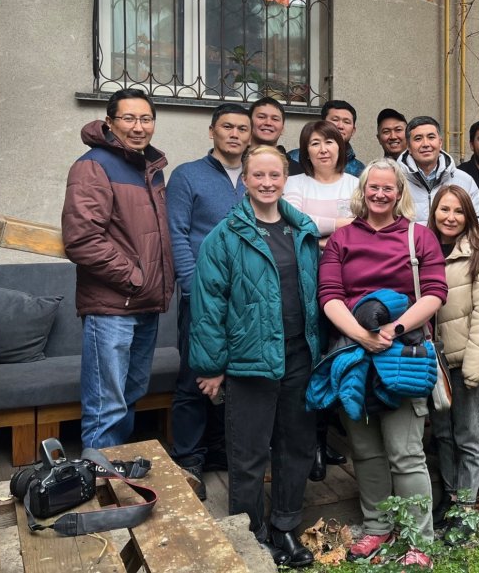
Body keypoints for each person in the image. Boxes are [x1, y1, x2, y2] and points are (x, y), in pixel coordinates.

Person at [190, 146, 320, 567]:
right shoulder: (225, 236)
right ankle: (251, 534)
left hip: (299, 356)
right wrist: (211, 366)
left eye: (274, 175)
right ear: (244, 180)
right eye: (258, 176)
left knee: (295, 446)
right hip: (249, 362)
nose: (267, 183)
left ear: (285, 179)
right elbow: (208, 305)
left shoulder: (301, 230)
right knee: (248, 455)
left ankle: (285, 527)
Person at [318, 158, 448, 568]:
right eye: (372, 187)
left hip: (403, 355)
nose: (379, 194)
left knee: (405, 453)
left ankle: (418, 538)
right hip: (353, 356)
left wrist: (392, 329)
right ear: (363, 191)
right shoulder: (342, 240)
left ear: (399, 193)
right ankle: (378, 527)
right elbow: (329, 295)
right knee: (365, 450)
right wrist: (361, 336)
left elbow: (435, 291)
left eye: (387, 187)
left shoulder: (418, 236)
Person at [61, 88, 174, 449]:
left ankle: (115, 470)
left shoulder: (149, 169)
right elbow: (82, 239)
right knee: (106, 405)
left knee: (130, 394)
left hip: (144, 304)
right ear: (109, 122)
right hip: (113, 306)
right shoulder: (94, 165)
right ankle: (97, 476)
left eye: (146, 118)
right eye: (129, 118)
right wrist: (135, 278)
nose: (138, 127)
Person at [166, 104, 251, 498]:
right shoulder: (188, 175)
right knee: (195, 376)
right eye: (227, 127)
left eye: (242, 129)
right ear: (212, 130)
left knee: (237, 377)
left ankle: (220, 451)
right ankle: (189, 458)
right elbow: (176, 234)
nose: (235, 134)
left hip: (247, 299)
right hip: (202, 296)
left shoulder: (256, 176)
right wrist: (192, 286)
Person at [282, 119, 358, 480]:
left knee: (334, 359)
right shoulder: (294, 184)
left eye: (330, 142)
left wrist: (318, 235)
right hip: (302, 285)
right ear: (305, 151)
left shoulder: (355, 184)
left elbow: (360, 227)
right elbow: (295, 224)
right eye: (315, 143)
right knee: (308, 361)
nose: (323, 149)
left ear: (340, 147)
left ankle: (324, 438)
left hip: (346, 285)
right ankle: (308, 443)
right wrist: (338, 227)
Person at [426, 185, 479, 537]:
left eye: (458, 211)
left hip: (465, 359)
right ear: (434, 212)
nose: (450, 217)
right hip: (433, 360)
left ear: (468, 216)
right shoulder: (423, 249)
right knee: (442, 433)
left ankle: (466, 508)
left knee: (468, 436)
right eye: (444, 209)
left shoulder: (478, 255)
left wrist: (475, 366)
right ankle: (450, 495)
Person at [397, 115, 479, 220]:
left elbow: (478, 220)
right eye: (418, 139)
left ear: (440, 142)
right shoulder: (396, 180)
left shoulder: (464, 180)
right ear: (408, 147)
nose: (425, 144)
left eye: (431, 137)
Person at [288, 99, 365, 176]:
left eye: (346, 122)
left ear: (353, 131)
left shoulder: (359, 169)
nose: (340, 126)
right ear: (322, 124)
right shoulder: (293, 158)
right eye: (335, 120)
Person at [249, 96, 302, 176]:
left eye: (275, 119)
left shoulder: (296, 171)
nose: (268, 123)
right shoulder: (235, 162)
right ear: (248, 123)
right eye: (261, 117)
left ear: (282, 128)